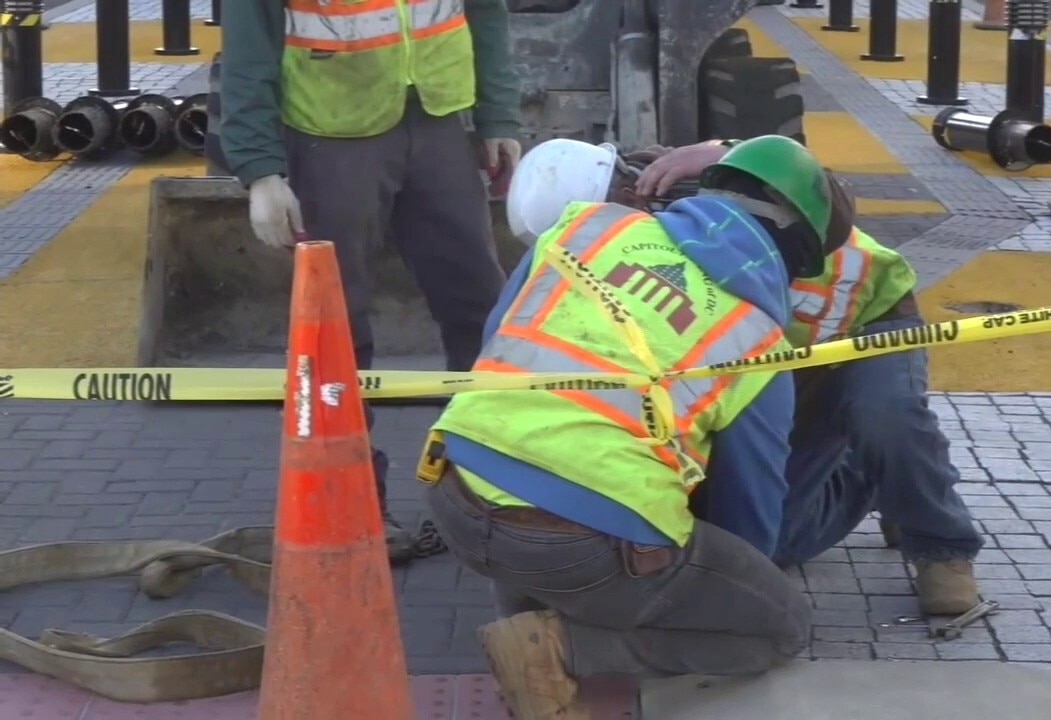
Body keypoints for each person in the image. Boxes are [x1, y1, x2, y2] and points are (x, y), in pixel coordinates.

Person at [422, 135, 853, 719]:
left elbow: (495, 344)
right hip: (580, 546)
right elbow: (749, 521)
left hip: (454, 491)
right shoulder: (756, 342)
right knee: (777, 625)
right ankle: (560, 647)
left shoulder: (588, 228)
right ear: (793, 251)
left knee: (534, 483)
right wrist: (708, 579)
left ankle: (524, 618)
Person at [507, 139, 986, 615]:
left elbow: (817, 185)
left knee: (884, 414)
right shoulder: (616, 251)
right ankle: (875, 478)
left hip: (868, 314)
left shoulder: (694, 176)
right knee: (777, 537)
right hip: (770, 360)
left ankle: (940, 544)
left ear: (625, 191)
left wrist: (723, 151)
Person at [219, 0, 523, 561]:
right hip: (331, 132)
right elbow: (247, 50)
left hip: (438, 126)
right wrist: (260, 169)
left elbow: (485, 11)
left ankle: (488, 490)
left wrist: (497, 114)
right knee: (335, 331)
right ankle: (349, 505)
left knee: (484, 313)